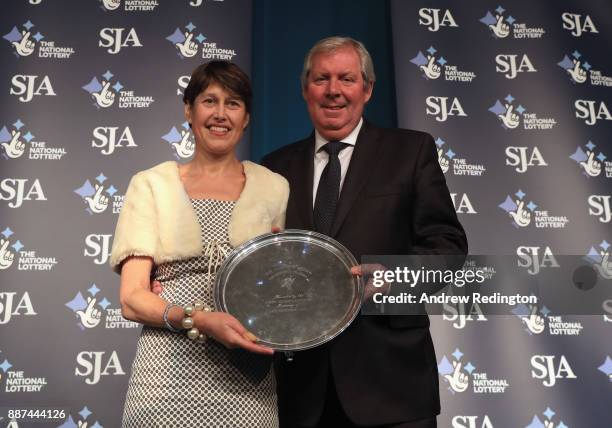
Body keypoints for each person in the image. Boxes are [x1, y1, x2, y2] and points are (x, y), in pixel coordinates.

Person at [261, 37, 467, 428]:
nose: (333, 90)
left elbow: (448, 247)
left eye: (346, 79)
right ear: (306, 89)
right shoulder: (274, 167)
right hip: (301, 391)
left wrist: (389, 278)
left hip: (393, 385)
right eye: (321, 79)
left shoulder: (412, 151)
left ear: (367, 89)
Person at [110, 60, 289, 427]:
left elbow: (277, 287)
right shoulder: (151, 185)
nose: (221, 114)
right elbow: (131, 299)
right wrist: (198, 319)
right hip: (164, 379)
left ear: (247, 117)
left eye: (233, 103)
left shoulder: (274, 187)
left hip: (246, 380)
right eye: (210, 101)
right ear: (189, 111)